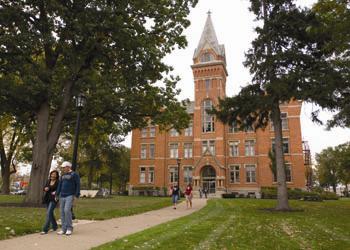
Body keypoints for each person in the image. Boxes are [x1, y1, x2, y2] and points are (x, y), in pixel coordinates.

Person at [56, 161, 80, 236]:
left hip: (70, 195)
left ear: (68, 167)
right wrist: (57, 194)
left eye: (64, 167)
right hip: (62, 195)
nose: (63, 169)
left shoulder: (74, 174)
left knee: (67, 210)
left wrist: (76, 195)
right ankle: (64, 229)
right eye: (62, 168)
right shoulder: (62, 175)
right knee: (62, 212)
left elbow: (78, 184)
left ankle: (69, 228)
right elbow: (60, 185)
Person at [40, 170, 60, 235]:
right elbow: (44, 188)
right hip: (47, 198)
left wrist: (56, 192)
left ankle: (45, 229)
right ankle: (55, 226)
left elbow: (59, 189)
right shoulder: (48, 181)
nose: (53, 175)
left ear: (57, 175)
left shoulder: (58, 182)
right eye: (52, 174)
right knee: (50, 213)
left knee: (48, 213)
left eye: (54, 174)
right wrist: (45, 188)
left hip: (54, 199)